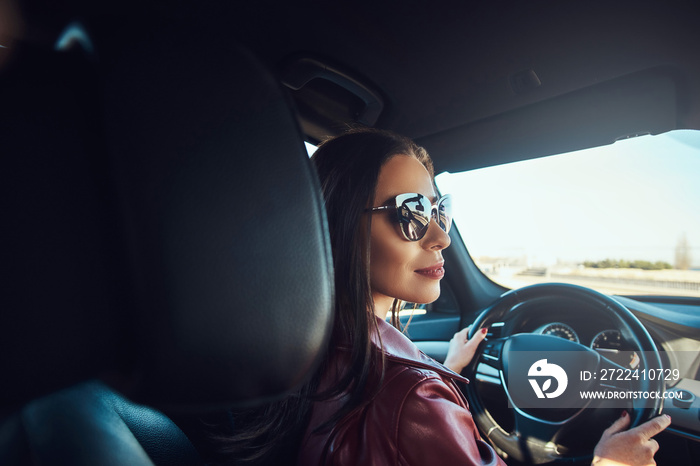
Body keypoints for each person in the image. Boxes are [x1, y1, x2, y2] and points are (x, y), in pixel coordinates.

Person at [215, 127, 670, 465]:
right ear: (336, 225)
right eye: (410, 213)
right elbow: (401, 413)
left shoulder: (302, 349)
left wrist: (443, 371)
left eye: (439, 210)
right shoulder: (411, 398)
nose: (440, 237)